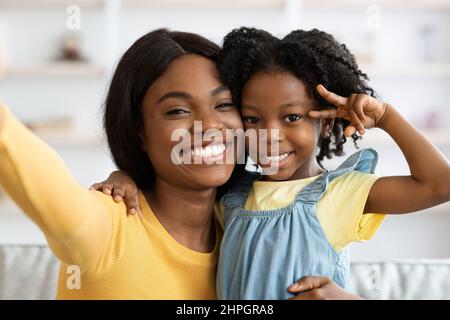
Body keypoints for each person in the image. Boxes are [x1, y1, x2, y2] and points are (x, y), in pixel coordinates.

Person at [94, 28, 450, 300]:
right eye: (251, 119)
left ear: (325, 121)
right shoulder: (231, 196)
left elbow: (439, 184)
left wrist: (386, 117)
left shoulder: (339, 194)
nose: (270, 135)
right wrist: (123, 175)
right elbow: (176, 187)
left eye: (292, 117)